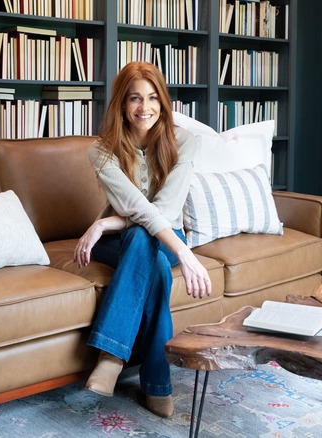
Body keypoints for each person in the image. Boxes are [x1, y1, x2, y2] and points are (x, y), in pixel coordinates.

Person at [72, 61, 212, 418]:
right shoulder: (101, 151)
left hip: (155, 234)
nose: (144, 107)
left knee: (146, 243)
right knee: (146, 248)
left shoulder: (186, 142)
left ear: (163, 102)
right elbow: (135, 206)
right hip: (124, 240)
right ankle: (156, 384)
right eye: (134, 98)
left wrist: (102, 224)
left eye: (152, 98)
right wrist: (185, 252)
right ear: (121, 103)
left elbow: (162, 211)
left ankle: (111, 357)